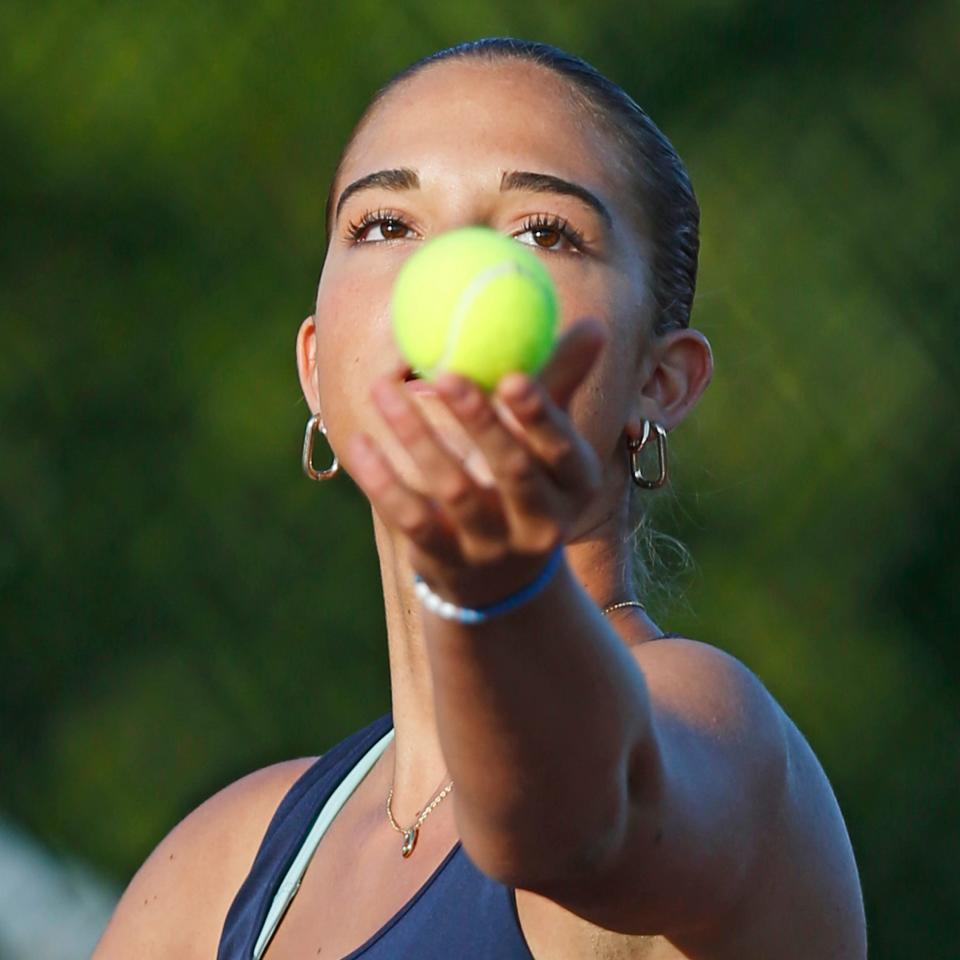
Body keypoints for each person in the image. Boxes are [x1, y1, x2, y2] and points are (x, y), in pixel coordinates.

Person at [93, 37, 867, 960]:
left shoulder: (717, 734)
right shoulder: (216, 877)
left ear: (659, 382)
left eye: (543, 232)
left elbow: (564, 825)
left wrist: (497, 589)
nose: (446, 272)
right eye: (386, 225)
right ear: (313, 368)